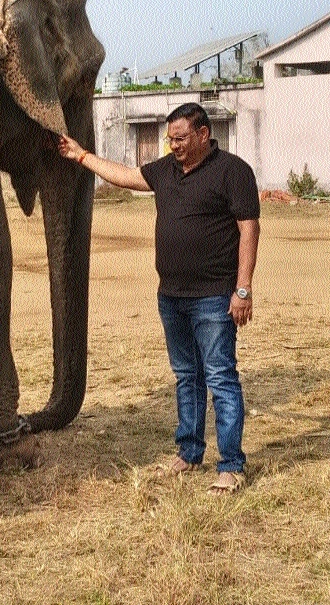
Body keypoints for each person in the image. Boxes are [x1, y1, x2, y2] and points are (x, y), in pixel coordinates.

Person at [55, 102, 259, 495]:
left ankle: (231, 465)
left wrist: (243, 288)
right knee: (186, 377)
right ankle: (189, 451)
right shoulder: (166, 170)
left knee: (220, 377)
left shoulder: (233, 171)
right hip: (172, 297)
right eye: (170, 139)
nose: (174, 146)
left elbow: (248, 230)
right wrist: (81, 155)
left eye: (181, 138)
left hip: (214, 298)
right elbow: (127, 176)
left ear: (203, 134)